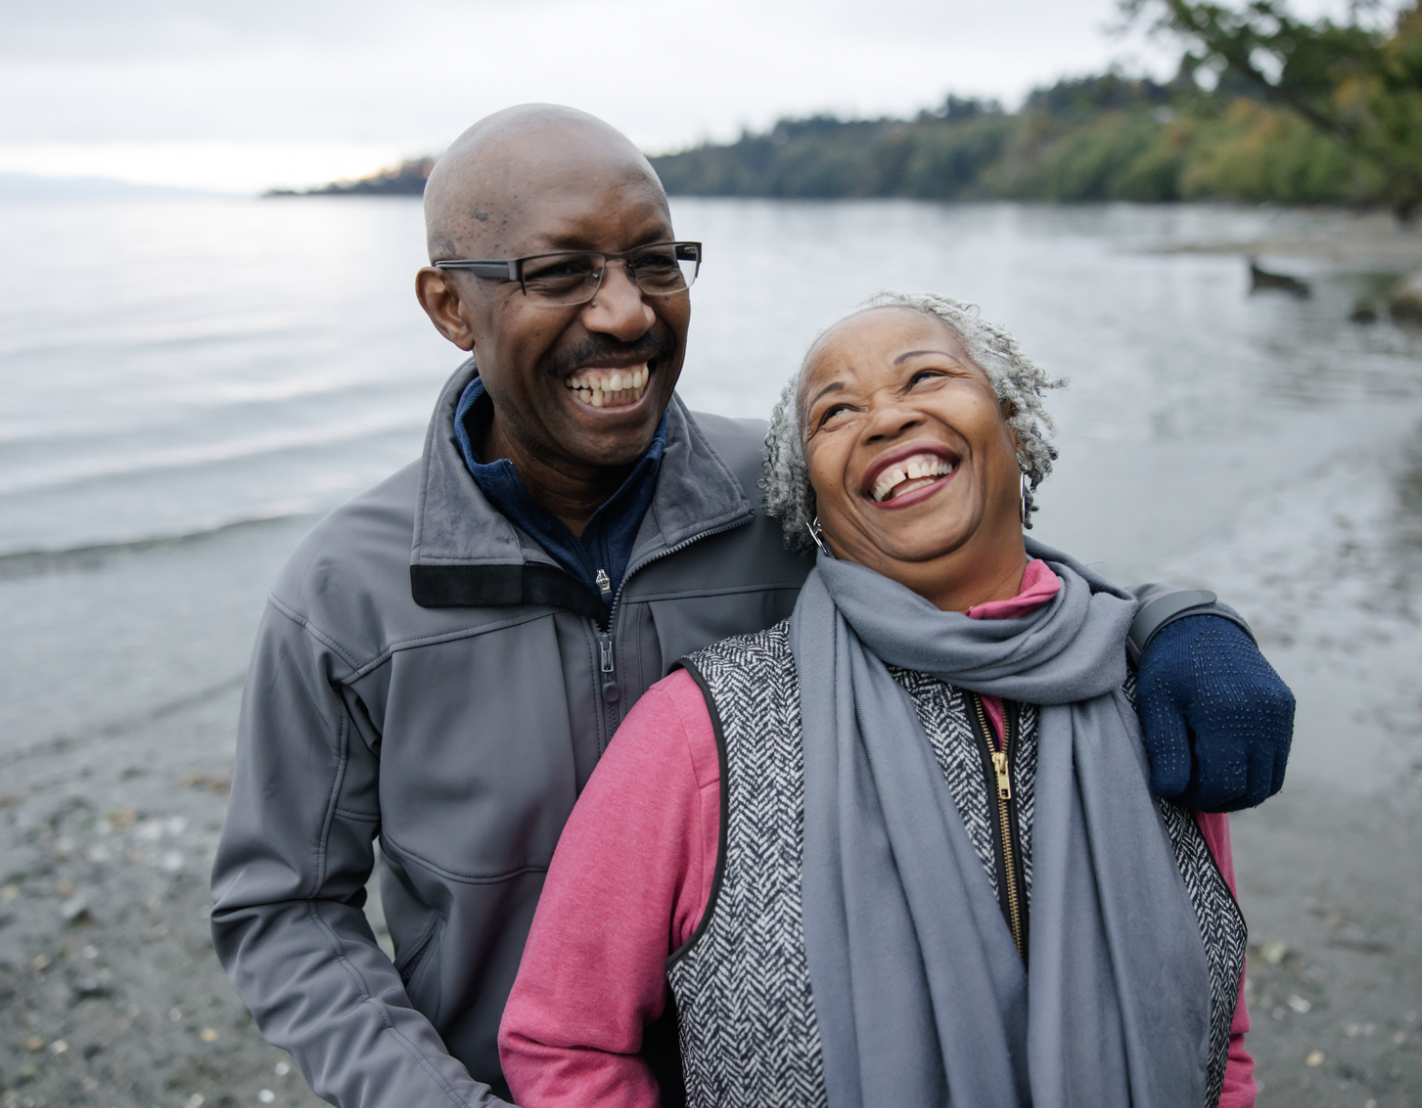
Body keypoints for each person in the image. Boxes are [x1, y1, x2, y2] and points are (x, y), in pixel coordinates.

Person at [210, 105, 1293, 1108]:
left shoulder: (775, 495)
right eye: (559, 272)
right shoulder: (345, 597)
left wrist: (1172, 622)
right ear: (452, 305)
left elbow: (966, 552)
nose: (627, 310)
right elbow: (285, 910)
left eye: (653, 261)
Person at [500, 293, 1258, 1108]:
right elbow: (563, 1041)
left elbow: (1219, 1032)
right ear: (812, 504)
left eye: (927, 376)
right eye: (836, 413)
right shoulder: (697, 733)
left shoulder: (1158, 689)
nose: (889, 419)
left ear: (1014, 425)